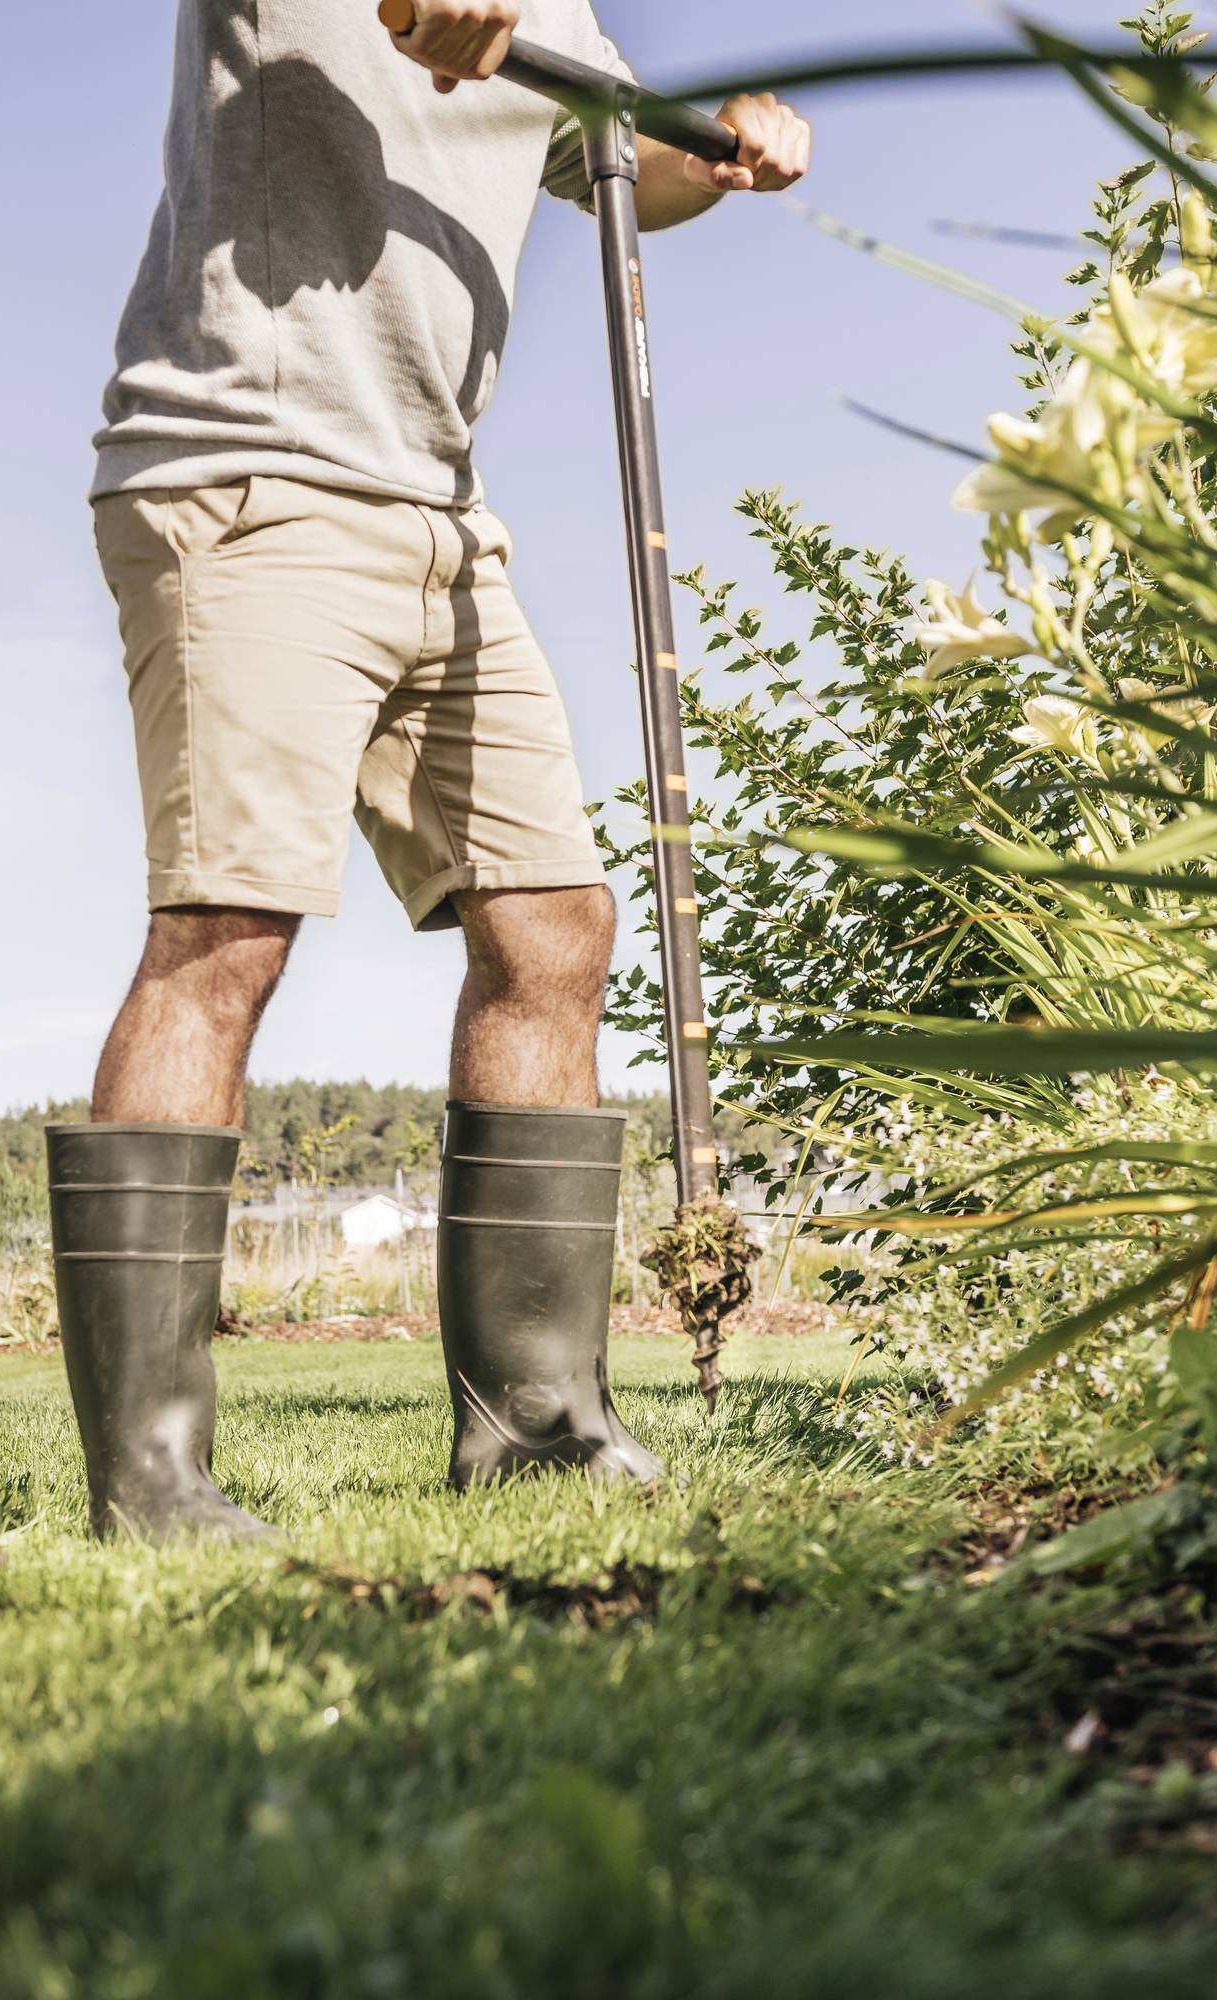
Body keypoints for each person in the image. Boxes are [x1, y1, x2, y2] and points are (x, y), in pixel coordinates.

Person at [52, 0, 812, 1539]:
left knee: (554, 930)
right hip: (249, 469)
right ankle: (152, 1480)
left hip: (442, 520)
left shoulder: (563, 13)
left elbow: (610, 166)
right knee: (229, 932)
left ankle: (537, 1426)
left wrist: (716, 148)